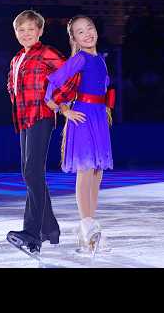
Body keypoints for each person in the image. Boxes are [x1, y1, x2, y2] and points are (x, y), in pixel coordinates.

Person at [6, 10, 80, 255]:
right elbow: (12, 85)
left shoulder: (46, 53)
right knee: (30, 172)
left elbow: (71, 75)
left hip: (41, 117)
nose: (26, 34)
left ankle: (32, 233)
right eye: (21, 30)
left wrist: (56, 100)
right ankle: (50, 228)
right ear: (16, 33)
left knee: (31, 171)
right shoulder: (17, 58)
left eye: (30, 29)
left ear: (39, 31)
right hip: (24, 119)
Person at [44, 15, 116, 255]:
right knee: (86, 172)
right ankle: (86, 226)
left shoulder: (100, 60)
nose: (87, 34)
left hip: (98, 117)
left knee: (97, 173)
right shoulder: (79, 59)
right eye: (80, 32)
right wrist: (64, 110)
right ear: (73, 38)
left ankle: (91, 227)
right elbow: (53, 83)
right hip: (83, 116)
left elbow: (104, 88)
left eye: (90, 29)